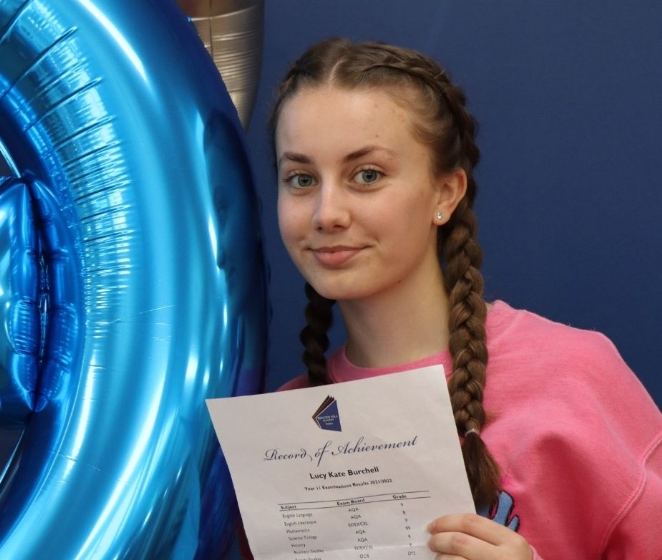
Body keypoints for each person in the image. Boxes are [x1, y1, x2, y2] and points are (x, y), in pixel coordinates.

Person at [240, 38, 662, 559]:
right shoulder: (281, 440)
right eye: (301, 179)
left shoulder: (576, 377)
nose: (327, 213)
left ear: (445, 193)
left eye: (367, 175)